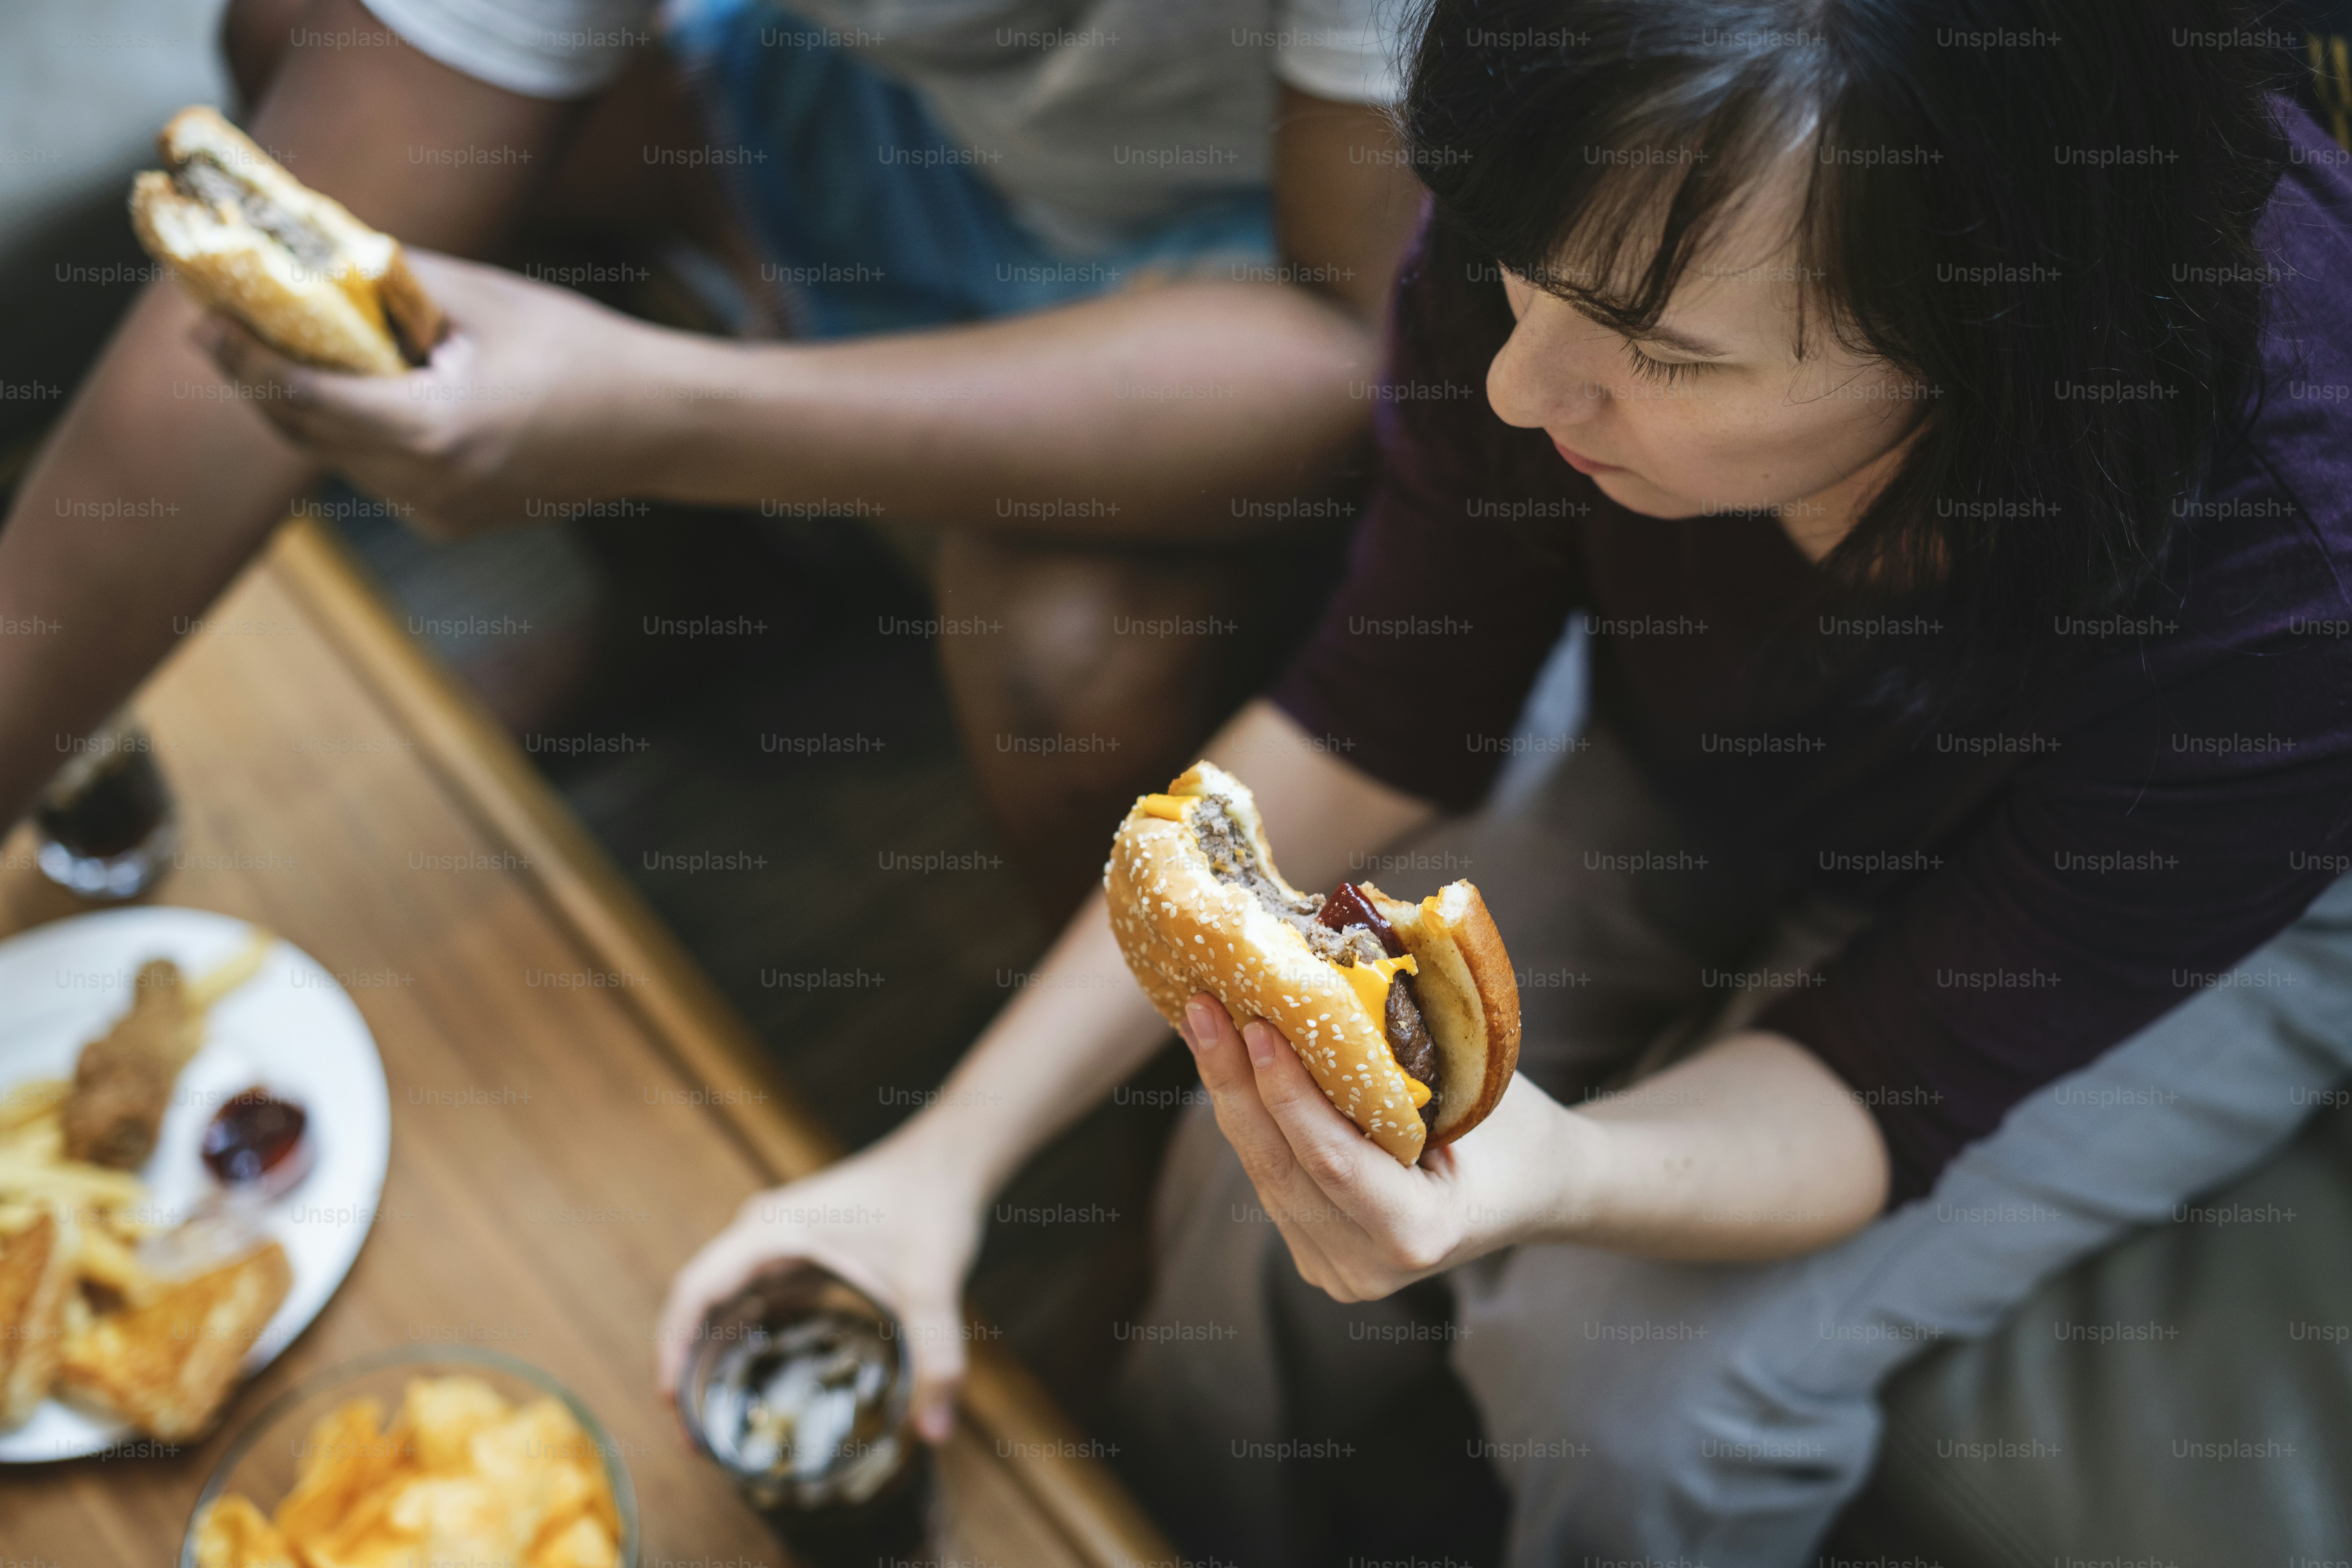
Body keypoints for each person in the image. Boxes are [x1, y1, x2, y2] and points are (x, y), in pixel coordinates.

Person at [655, 0, 2352, 1561]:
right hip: (1723, 741)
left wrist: (1555, 1180)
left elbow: (1886, 1082)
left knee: (1626, 1399)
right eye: (1517, 274)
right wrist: (936, 1165)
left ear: (1999, 341)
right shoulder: (1582, 201)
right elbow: (1376, 706)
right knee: (1247, 1204)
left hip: (2170, 900)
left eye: (1666, 354)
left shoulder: (2288, 562)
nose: (1515, 386)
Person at [0, 0, 1423, 913]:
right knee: (297, 38)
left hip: (1280, 235)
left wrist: (668, 414)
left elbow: (1361, 351)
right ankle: (709, 594)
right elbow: (289, 227)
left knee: (1073, 674)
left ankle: (1170, 1138)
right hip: (925, 134)